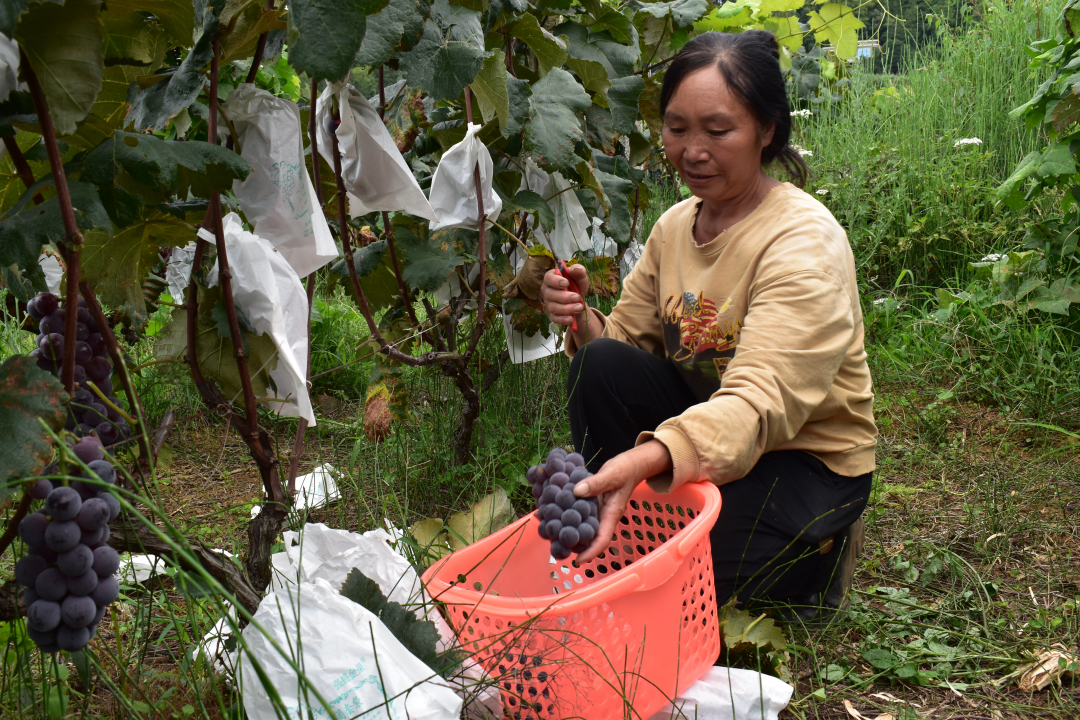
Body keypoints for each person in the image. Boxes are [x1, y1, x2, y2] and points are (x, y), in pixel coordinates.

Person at [541, 30, 877, 618]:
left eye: (718, 131)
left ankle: (817, 557)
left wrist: (649, 458)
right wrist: (580, 318)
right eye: (677, 128)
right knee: (599, 365)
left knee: (675, 583)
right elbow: (621, 351)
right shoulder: (675, 228)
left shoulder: (802, 243)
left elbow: (757, 403)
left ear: (767, 130)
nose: (693, 150)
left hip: (802, 458)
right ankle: (640, 516)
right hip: (702, 439)